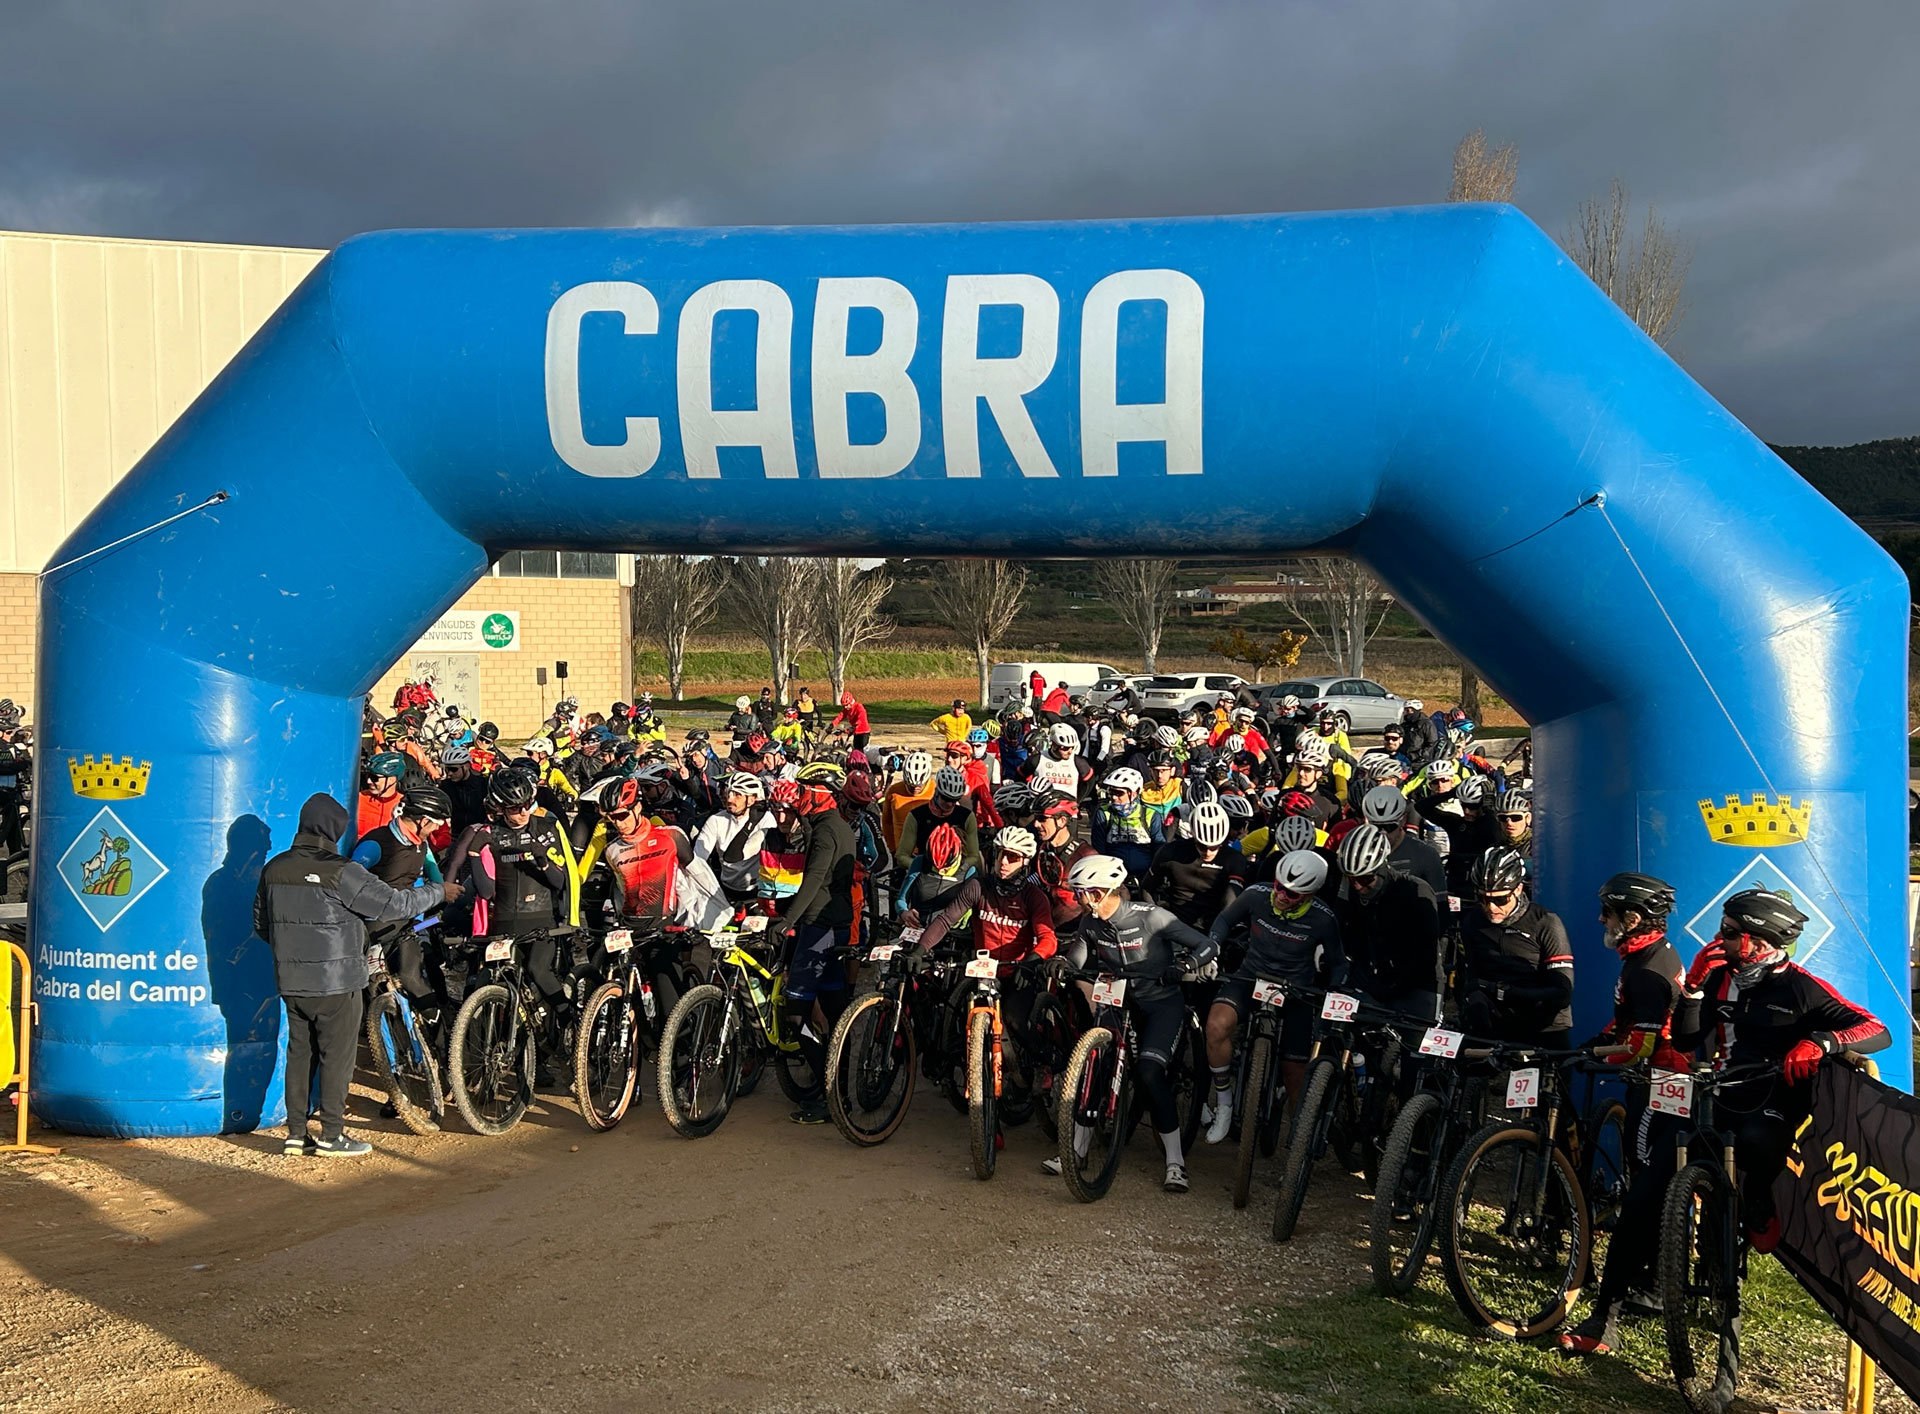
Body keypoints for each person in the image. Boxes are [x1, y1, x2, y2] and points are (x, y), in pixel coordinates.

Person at [1669, 887, 1888, 1254]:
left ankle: (1758, 1199)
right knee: (1670, 1142)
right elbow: (1683, 1039)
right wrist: (1692, 987)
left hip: (1775, 1095)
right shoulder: (1718, 976)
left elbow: (1877, 1030)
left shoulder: (1801, 987)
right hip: (1721, 1087)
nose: (1718, 939)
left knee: (1758, 1141)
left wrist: (1821, 1042)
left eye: (1729, 932)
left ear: (1758, 941)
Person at [255, 793, 458, 1157]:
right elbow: (394, 903)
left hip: (291, 979)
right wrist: (438, 891)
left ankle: (296, 1134)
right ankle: (332, 1134)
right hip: (338, 980)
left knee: (299, 1053)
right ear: (335, 829)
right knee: (337, 1056)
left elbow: (261, 924)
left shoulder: (275, 868)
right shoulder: (341, 870)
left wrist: (292, 950)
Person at [1560, 872, 1689, 1356]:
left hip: (1661, 1089)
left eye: (1607, 913)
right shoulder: (1647, 956)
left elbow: (1642, 1044)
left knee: (1642, 1191)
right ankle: (1655, 1283)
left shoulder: (1648, 970)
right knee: (1650, 1186)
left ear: (1632, 919)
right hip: (1657, 1084)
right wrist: (1594, 1042)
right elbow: (1627, 1022)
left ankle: (1622, 1303)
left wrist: (1596, 1058)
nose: (1600, 920)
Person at [1046, 854, 1218, 1192]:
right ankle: (1077, 1150)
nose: (1076, 899)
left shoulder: (1152, 917)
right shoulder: (1090, 923)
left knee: (1150, 1073)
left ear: (1097, 893)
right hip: (1118, 1001)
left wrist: (1185, 967)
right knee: (1095, 1065)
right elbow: (1078, 957)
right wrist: (1063, 965)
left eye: (1080, 893)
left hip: (1160, 1003)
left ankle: (1175, 1163)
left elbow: (1206, 944)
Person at [1203, 849, 1346, 1142]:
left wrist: (1333, 992)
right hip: (1250, 977)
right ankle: (1225, 1104)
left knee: (1295, 1073)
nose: (1281, 895)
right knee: (1216, 1026)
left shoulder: (1323, 919)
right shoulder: (1257, 895)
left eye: (1292, 894)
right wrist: (1212, 950)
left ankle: (1298, 1146)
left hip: (1296, 990)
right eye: (1279, 886)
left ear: (1310, 894)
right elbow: (1224, 921)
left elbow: (1340, 963)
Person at [773, 782, 857, 1123]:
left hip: (817, 929)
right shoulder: (840, 827)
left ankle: (829, 1095)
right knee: (837, 1013)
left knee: (797, 1014)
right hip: (836, 927)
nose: (799, 798)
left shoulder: (824, 834)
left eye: (805, 792)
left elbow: (815, 878)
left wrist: (787, 920)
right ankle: (841, 1093)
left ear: (818, 797)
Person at [1457, 845, 1573, 1046]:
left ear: (1518, 888)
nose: (1491, 908)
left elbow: (1562, 993)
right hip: (1500, 1022)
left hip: (1545, 1025)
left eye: (1500, 899)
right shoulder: (1473, 921)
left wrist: (1500, 991)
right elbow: (1471, 976)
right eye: (1482, 898)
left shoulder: (1545, 922)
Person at [1331, 824, 1443, 1023]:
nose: (1357, 886)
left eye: (1365, 879)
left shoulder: (1415, 891)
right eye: (1351, 879)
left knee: (1413, 1048)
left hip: (1417, 981)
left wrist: (1392, 987)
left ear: (1381, 869)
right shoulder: (1354, 891)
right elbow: (1350, 933)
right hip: (1376, 976)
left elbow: (1426, 954)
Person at [1145, 800, 1249, 930]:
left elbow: (1230, 901)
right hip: (1175, 922)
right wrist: (1156, 917)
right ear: (1193, 835)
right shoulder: (1170, 851)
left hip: (1215, 922)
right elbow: (1146, 888)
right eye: (1202, 845)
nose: (1208, 852)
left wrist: (1219, 933)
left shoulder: (1234, 859)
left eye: (1214, 846)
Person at [895, 766, 983, 887]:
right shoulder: (916, 816)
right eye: (946, 798)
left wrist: (957, 870)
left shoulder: (966, 817)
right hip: (925, 877)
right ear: (936, 792)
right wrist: (924, 868)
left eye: (955, 799)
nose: (950, 804)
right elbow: (902, 856)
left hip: (957, 877)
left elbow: (974, 856)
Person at [693, 773, 772, 905]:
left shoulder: (765, 819)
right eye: (729, 793)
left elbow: (739, 854)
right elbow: (698, 858)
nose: (729, 799)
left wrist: (751, 823)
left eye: (737, 795)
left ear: (752, 799)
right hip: (725, 889)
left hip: (755, 890)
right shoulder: (716, 820)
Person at [881, 750, 936, 855]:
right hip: (902, 854)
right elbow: (886, 822)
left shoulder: (936, 791)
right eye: (911, 785)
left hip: (929, 854)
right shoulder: (893, 791)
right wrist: (892, 849)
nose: (915, 789)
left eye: (920, 785)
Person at [357, 751, 408, 839]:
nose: (368, 781)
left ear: (392, 780)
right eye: (367, 776)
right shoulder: (358, 799)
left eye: (374, 778)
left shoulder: (405, 805)